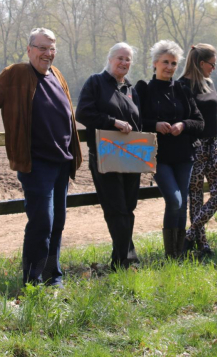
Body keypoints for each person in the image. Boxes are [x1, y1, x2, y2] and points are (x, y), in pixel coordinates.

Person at [0, 28, 82, 287]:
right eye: (42, 48)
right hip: (36, 163)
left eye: (52, 48)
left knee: (57, 222)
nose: (47, 54)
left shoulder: (57, 75)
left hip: (61, 162)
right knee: (42, 223)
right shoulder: (16, 74)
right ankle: (32, 282)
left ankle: (52, 277)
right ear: (29, 50)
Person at [135, 40, 204, 259]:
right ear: (155, 63)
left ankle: (177, 254)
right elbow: (136, 120)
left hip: (184, 155)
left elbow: (199, 122)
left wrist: (183, 125)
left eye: (174, 63)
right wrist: (154, 125)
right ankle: (170, 252)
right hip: (158, 156)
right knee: (174, 200)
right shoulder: (143, 89)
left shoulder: (182, 90)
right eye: (165, 62)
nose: (170, 67)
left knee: (181, 204)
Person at [76, 42, 142, 270]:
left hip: (132, 153)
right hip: (105, 152)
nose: (124, 62)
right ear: (110, 59)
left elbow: (139, 121)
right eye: (120, 58)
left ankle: (122, 259)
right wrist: (112, 122)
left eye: (128, 59)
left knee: (129, 206)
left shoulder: (131, 89)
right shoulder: (96, 82)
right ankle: (126, 260)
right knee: (116, 207)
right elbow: (83, 113)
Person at [178, 44, 217, 257]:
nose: (214, 68)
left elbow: (213, 109)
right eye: (212, 64)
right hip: (193, 147)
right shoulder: (181, 86)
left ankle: (189, 235)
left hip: (213, 144)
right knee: (195, 198)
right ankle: (202, 246)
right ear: (200, 63)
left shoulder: (209, 83)